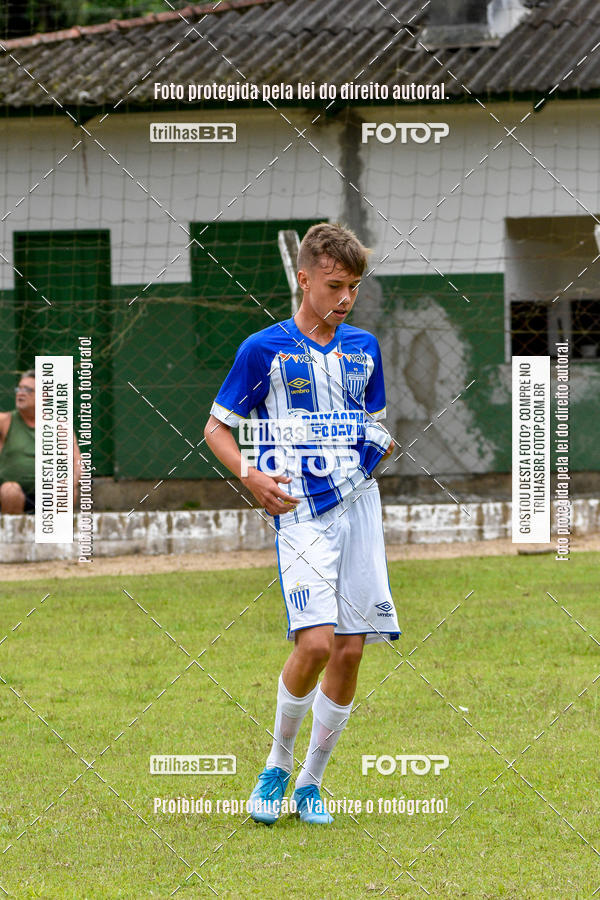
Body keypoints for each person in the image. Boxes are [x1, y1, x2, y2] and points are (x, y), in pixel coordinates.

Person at [204, 223, 400, 826]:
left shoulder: (364, 348)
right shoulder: (263, 349)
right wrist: (251, 476)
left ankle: (311, 784)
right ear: (304, 278)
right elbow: (216, 428)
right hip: (300, 511)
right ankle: (276, 765)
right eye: (335, 286)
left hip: (358, 508)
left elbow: (371, 424)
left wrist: (377, 445)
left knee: (350, 651)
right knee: (314, 644)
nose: (345, 298)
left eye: (354, 288)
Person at [0, 369, 81, 514]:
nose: (20, 393)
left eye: (28, 390)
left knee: (65, 489)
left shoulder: (59, 426)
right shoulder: (5, 421)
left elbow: (78, 463)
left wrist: (70, 481)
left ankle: (56, 527)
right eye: (19, 389)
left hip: (51, 491)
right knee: (9, 490)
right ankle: (15, 529)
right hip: (14, 492)